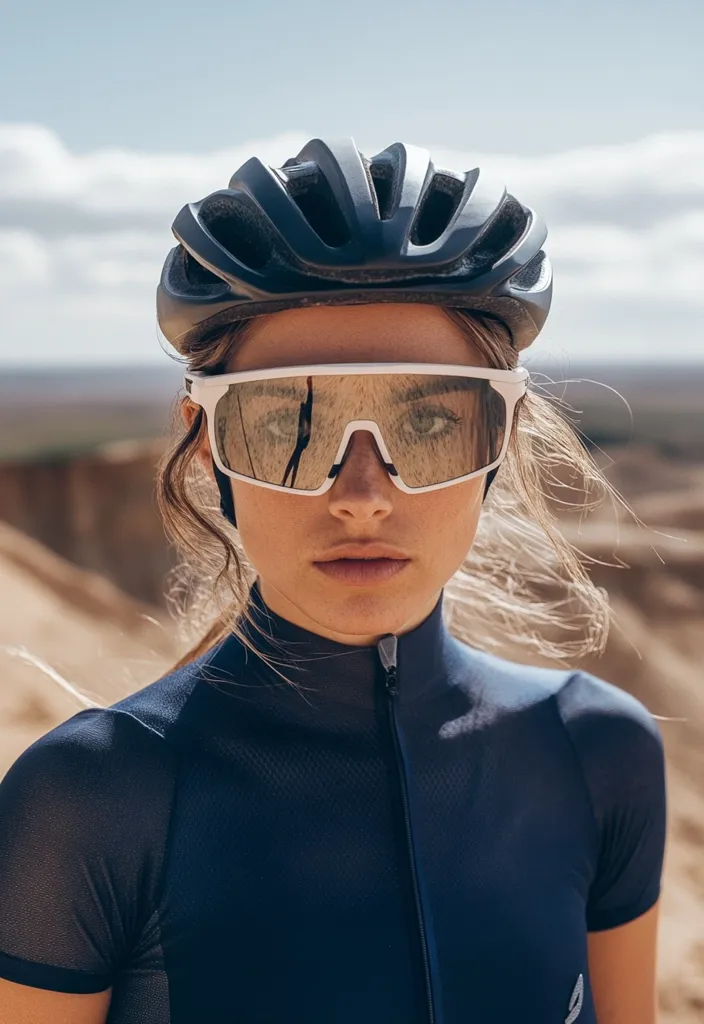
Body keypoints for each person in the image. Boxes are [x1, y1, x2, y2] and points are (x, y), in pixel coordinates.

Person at [0, 138, 667, 1024]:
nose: (362, 497)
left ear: (500, 445)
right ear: (209, 449)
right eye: (290, 424)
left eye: (430, 420)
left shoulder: (602, 755)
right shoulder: (87, 799)